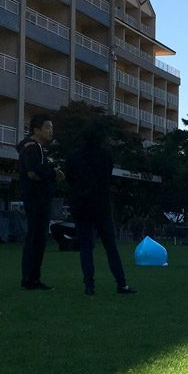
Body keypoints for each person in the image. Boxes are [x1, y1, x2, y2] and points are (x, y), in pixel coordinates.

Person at [65, 126, 137, 296]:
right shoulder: (105, 155)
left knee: (86, 247)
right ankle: (121, 283)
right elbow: (108, 177)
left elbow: (70, 179)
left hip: (81, 206)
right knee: (111, 247)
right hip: (101, 206)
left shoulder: (74, 156)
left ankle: (89, 284)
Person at [17, 114, 64, 290]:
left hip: (38, 197)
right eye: (47, 127)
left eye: (51, 127)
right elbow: (33, 172)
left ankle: (31, 277)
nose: (51, 131)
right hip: (36, 198)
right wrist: (53, 174)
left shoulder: (36, 149)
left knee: (37, 238)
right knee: (36, 238)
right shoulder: (31, 148)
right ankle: (31, 279)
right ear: (36, 129)